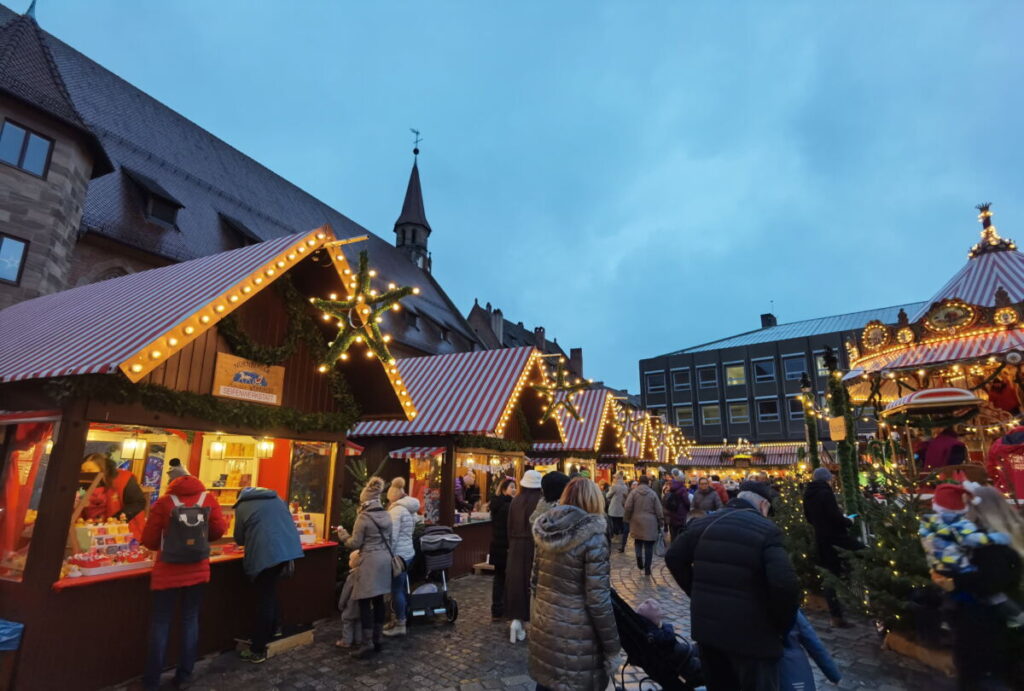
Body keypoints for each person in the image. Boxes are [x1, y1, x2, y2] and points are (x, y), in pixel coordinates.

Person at [665, 480, 800, 691]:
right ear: (763, 505)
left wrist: (696, 592)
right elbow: (785, 584)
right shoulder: (768, 531)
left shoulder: (703, 525)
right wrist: (779, 624)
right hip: (754, 637)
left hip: (709, 633)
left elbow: (673, 556)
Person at [920, 483, 1024, 686]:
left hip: (984, 635)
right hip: (996, 634)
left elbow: (985, 583)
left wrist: (951, 582)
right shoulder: (1003, 539)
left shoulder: (990, 548)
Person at [529, 477, 620, 690]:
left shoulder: (545, 530)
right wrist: (612, 648)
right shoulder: (594, 538)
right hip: (578, 637)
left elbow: (534, 582)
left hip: (545, 629)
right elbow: (598, 600)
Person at [140, 473, 227, 690]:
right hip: (197, 569)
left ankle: (151, 680)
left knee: (161, 623)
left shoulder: (164, 502)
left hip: (167, 571)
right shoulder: (207, 500)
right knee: (190, 620)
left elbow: (149, 539)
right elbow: (218, 530)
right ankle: (185, 675)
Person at [232, 486, 305, 662]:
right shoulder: (277, 499)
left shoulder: (242, 506)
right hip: (286, 552)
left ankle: (257, 648)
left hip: (266, 556)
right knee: (270, 591)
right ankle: (275, 627)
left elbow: (239, 538)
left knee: (265, 597)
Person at [335, 477, 393, 659]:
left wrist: (342, 535)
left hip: (369, 562)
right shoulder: (387, 514)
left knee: (364, 602)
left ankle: (366, 643)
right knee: (378, 601)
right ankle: (378, 639)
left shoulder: (363, 518)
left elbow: (355, 543)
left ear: (364, 501)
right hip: (384, 560)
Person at [802, 467, 860, 627]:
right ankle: (861, 598)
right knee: (864, 554)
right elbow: (834, 516)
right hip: (837, 537)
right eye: (831, 479)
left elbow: (808, 517)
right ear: (826, 479)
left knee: (829, 575)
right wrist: (848, 521)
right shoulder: (826, 493)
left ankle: (836, 615)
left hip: (821, 538)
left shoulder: (808, 494)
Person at [506, 469, 543, 643]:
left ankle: (515, 620)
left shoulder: (515, 501)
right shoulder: (540, 502)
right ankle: (530, 621)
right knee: (532, 583)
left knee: (516, 583)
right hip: (532, 545)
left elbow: (509, 526)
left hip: (515, 546)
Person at [383, 477, 420, 637]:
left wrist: (387, 554)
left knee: (396, 589)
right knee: (403, 587)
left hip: (398, 555)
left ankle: (400, 623)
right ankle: (402, 617)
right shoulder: (409, 508)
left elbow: (392, 536)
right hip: (408, 553)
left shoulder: (396, 511)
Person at [80, 453, 147, 538]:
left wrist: (116, 519)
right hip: (91, 531)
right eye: (83, 471)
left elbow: (138, 502)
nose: (86, 474)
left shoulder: (123, 478)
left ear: (102, 469)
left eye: (90, 471)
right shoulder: (83, 484)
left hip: (122, 531)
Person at [779, 610, 841, 690]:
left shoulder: (758, 608)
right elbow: (813, 642)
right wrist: (833, 674)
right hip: (792, 668)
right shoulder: (790, 609)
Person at [488, 477, 516, 621]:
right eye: (511, 487)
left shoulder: (497, 504)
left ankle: (497, 610)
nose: (514, 489)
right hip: (505, 547)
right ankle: (501, 609)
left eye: (515, 487)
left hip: (497, 546)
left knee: (499, 578)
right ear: (504, 489)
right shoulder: (508, 506)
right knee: (504, 579)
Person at [623, 475, 663, 576]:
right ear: (648, 482)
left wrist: (627, 518)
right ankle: (647, 568)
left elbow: (627, 507)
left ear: (639, 482)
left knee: (638, 541)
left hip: (636, 521)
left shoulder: (633, 493)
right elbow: (659, 510)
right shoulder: (653, 493)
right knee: (649, 546)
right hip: (651, 522)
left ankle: (639, 557)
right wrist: (661, 521)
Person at [335, 550, 363, 649]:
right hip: (362, 605)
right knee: (359, 622)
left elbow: (345, 592)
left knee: (348, 623)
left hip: (351, 605)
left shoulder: (351, 577)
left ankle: (346, 641)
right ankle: (359, 640)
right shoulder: (365, 574)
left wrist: (341, 604)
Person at [663, 470, 691, 542]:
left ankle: (672, 549)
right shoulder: (682, 489)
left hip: (671, 514)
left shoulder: (670, 488)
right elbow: (687, 502)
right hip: (681, 515)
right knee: (681, 536)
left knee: (673, 535)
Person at [606, 473, 628, 550]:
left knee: (615, 523)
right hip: (622, 508)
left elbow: (608, 495)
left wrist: (609, 489)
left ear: (617, 478)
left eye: (614, 478)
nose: (613, 479)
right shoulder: (625, 486)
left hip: (615, 508)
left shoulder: (614, 486)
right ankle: (621, 537)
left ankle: (616, 538)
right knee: (621, 523)